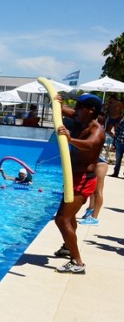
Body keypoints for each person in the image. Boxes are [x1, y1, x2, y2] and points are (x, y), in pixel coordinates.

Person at [51, 93, 104, 274]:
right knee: (69, 216)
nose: (76, 109)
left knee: (62, 219)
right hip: (72, 177)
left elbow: (90, 145)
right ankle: (68, 247)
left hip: (84, 181)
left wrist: (71, 139)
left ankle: (78, 263)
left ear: (91, 110)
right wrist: (57, 100)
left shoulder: (96, 130)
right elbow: (59, 109)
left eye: (80, 107)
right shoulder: (80, 119)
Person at [111, 109, 124, 177]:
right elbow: (117, 133)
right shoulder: (121, 122)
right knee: (118, 159)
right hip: (119, 143)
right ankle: (116, 173)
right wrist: (114, 144)